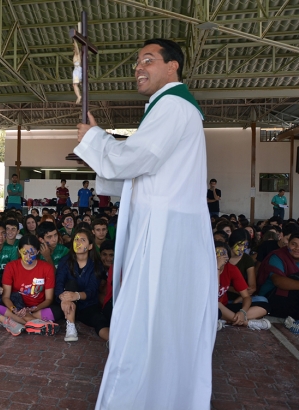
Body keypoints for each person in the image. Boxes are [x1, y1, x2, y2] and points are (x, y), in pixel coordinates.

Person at [75, 38, 216, 409]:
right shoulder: (168, 108)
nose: (139, 67)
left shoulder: (172, 105)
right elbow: (141, 172)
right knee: (158, 327)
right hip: (167, 232)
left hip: (164, 237)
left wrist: (94, 140)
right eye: (137, 62)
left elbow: (134, 160)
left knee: (145, 326)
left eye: (148, 60)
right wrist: (97, 144)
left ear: (173, 67)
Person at [0, 235, 60, 335]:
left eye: (32, 253)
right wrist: (14, 310)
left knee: (58, 311)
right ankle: (37, 324)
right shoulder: (11, 267)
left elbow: (49, 299)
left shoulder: (47, 268)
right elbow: (6, 297)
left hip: (37, 308)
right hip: (16, 306)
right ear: (19, 250)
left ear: (38, 252)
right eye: (24, 253)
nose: (28, 256)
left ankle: (15, 321)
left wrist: (33, 309)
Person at [55, 229, 110, 342]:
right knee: (71, 283)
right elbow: (59, 283)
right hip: (65, 305)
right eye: (76, 239)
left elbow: (92, 290)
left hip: (87, 305)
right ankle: (70, 327)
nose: (78, 242)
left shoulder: (96, 265)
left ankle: (115, 343)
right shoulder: (65, 261)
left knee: (99, 320)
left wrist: (76, 295)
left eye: (82, 240)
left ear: (90, 246)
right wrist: (64, 299)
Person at [215, 241, 271, 331]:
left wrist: (243, 312)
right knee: (215, 304)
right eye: (217, 254)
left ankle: (226, 319)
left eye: (223, 254)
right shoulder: (204, 269)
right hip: (210, 307)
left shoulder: (231, 269)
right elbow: (213, 295)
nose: (220, 257)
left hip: (225, 307)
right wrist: (217, 268)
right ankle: (247, 323)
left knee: (264, 306)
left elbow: (246, 296)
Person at [0, 222, 18, 286]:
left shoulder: (12, 249)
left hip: (8, 282)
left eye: (3, 233)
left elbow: (14, 272)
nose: (1, 236)